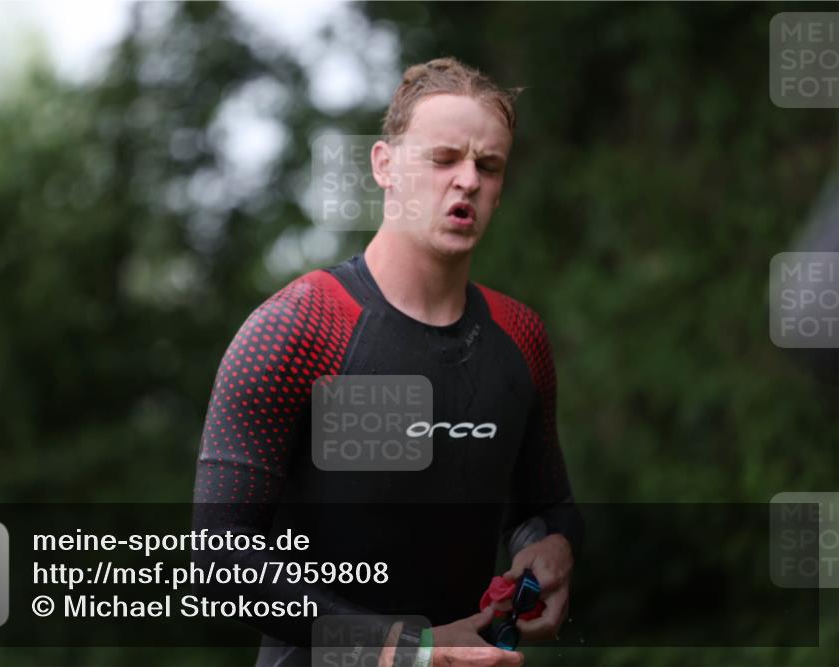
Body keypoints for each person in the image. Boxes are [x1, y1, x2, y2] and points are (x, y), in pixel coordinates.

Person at [192, 57, 583, 667]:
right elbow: (219, 559)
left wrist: (550, 548)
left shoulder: (519, 336)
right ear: (384, 165)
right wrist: (410, 649)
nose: (467, 181)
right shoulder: (301, 328)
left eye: (488, 166)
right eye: (443, 159)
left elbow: (545, 506)